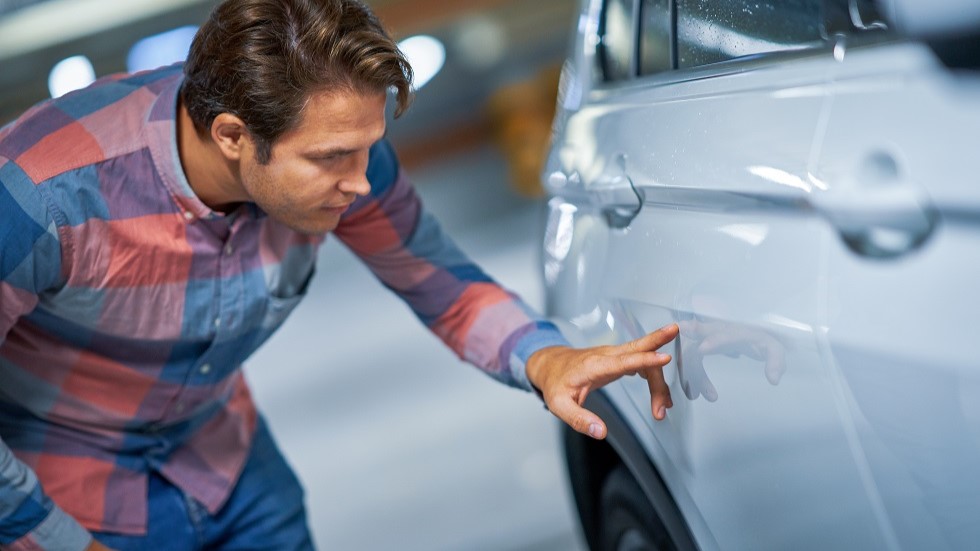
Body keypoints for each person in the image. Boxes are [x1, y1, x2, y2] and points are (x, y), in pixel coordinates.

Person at [0, 0, 678, 549]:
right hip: (62, 495)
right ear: (233, 135)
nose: (362, 183)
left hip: (229, 467)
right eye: (332, 158)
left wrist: (546, 356)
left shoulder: (343, 157)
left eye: (369, 150)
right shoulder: (41, 197)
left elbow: (437, 278)